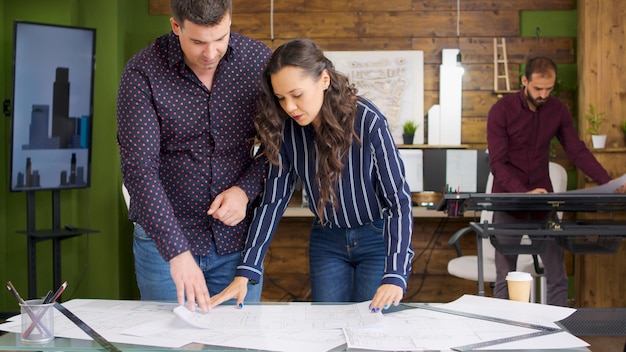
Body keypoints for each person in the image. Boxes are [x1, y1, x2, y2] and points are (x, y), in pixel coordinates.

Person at [210, 38, 415, 312]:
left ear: (324, 79)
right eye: (281, 98)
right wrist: (246, 270)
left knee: (371, 329)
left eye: (297, 94)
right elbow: (273, 201)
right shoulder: (287, 131)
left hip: (376, 239)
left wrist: (396, 274)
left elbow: (398, 201)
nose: (290, 107)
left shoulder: (368, 121)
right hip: (326, 240)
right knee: (326, 327)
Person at [116, 0, 271, 312]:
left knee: (236, 343)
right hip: (164, 247)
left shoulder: (257, 61)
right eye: (198, 41)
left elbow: (279, 143)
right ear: (176, 27)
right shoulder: (142, 73)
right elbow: (139, 172)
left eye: (221, 38)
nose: (211, 53)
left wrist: (245, 190)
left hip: (235, 242)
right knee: (171, 343)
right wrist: (177, 253)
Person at [486, 56, 624, 306]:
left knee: (557, 276)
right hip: (508, 204)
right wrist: (522, 193)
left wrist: (609, 182)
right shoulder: (501, 110)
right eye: (538, 89)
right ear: (524, 81)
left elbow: (576, 150)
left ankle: (557, 336)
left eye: (549, 89)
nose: (543, 95)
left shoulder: (556, 110)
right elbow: (497, 163)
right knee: (505, 278)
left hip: (542, 204)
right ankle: (502, 337)